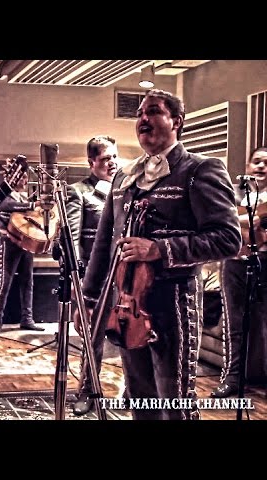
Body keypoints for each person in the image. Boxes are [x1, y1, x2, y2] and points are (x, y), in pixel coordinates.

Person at [80, 89, 241, 420]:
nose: (143, 119)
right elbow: (104, 242)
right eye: (140, 113)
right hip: (126, 304)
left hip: (174, 303)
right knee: (140, 397)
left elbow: (228, 239)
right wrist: (90, 297)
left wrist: (159, 249)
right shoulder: (125, 176)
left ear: (176, 122)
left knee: (174, 401)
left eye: (153, 111)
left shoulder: (200, 170)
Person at [66, 135, 119, 416]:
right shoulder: (79, 191)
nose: (112, 163)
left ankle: (133, 390)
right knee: (92, 337)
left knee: (129, 335)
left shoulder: (123, 189)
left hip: (124, 275)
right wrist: (78, 282)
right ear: (91, 162)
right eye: (105, 158)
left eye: (114, 157)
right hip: (93, 278)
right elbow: (74, 239)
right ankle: (86, 390)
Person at [211, 146, 267, 398]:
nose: (261, 167)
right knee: (233, 322)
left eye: (266, 163)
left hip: (265, 262)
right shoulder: (234, 194)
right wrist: (248, 220)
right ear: (248, 167)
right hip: (234, 263)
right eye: (257, 162)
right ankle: (232, 378)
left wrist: (245, 221)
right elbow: (220, 220)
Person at [0, 161, 44, 335]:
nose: (25, 180)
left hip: (26, 243)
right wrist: (32, 206)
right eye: (22, 177)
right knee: (4, 282)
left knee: (28, 281)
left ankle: (27, 319)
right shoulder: (2, 195)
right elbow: (5, 207)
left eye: (26, 177)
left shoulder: (25, 198)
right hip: (9, 243)